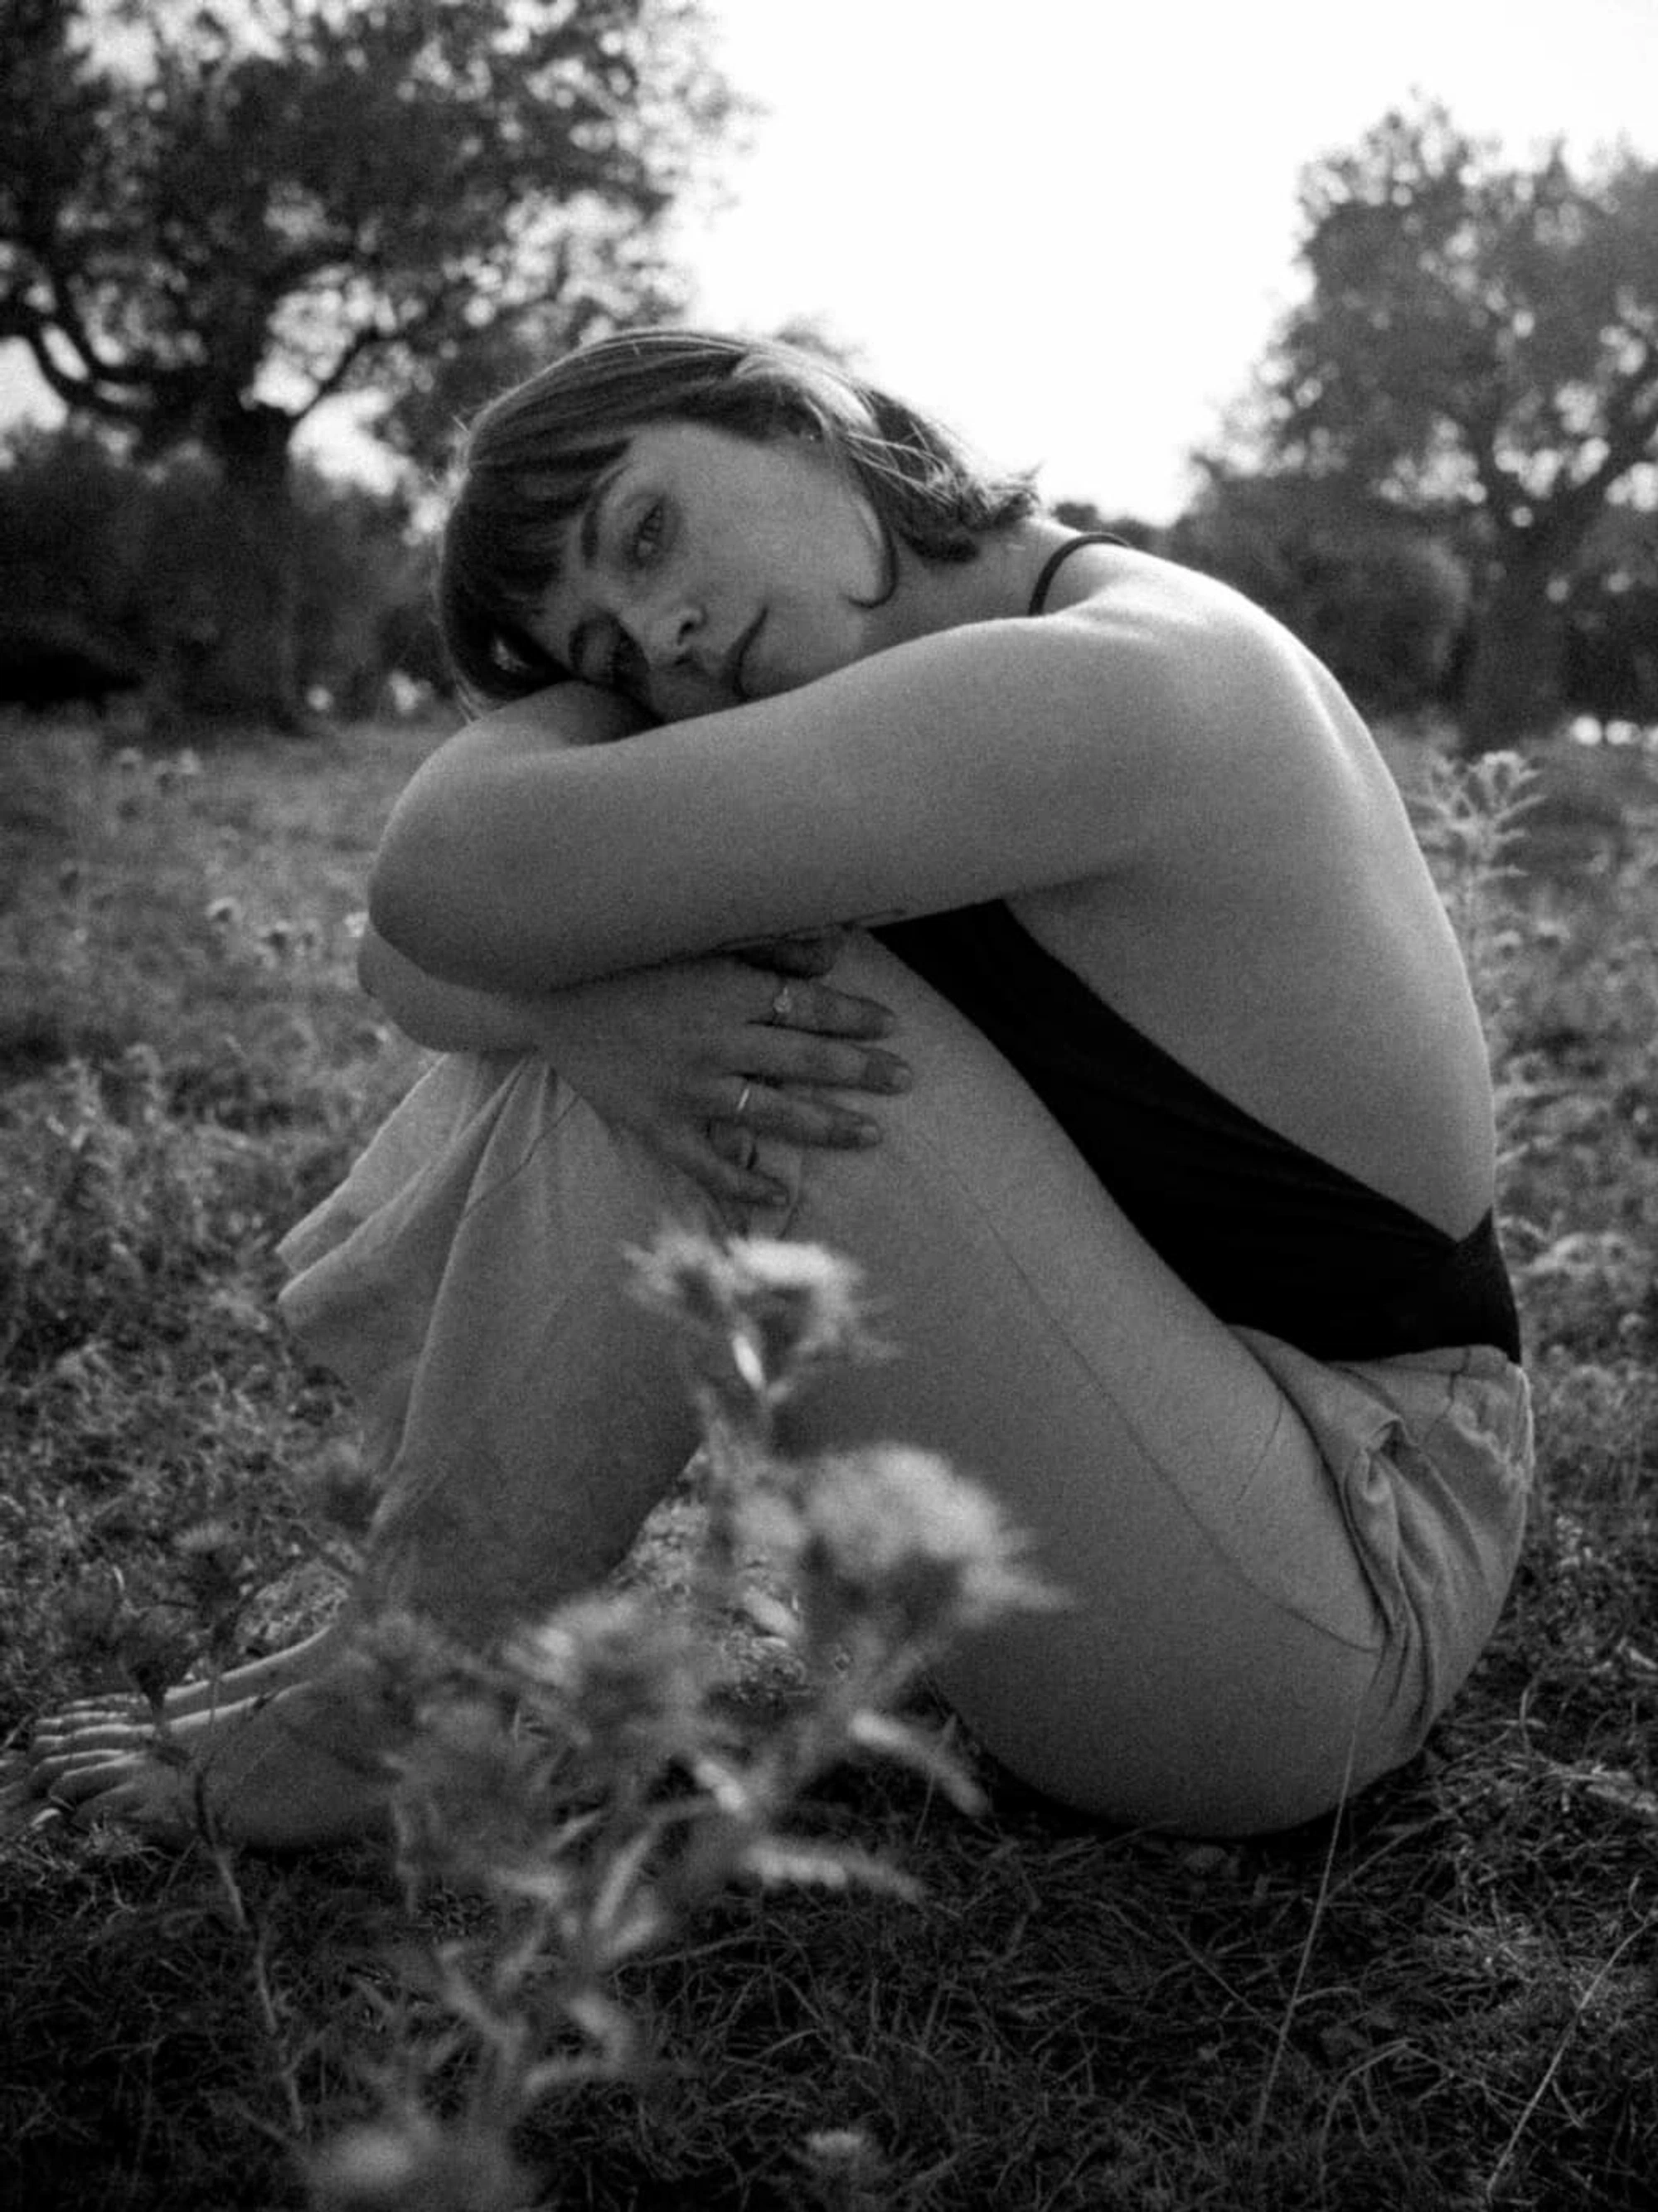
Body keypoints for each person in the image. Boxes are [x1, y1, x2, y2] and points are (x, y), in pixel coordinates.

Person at [12, 329, 1532, 1850]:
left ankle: (391, 1698)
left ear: (796, 408)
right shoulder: (898, 684)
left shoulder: (1115, 686)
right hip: (1177, 1492)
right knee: (688, 1018)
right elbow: (404, 956)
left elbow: (446, 881)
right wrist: (596, 1023)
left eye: (649, 530)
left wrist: (579, 852)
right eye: (614, 658)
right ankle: (398, 1651)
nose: (666, 633)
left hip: (1339, 1580)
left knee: (770, 1031)